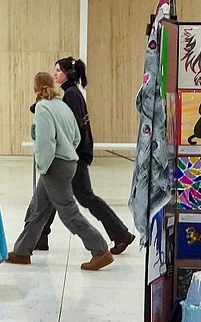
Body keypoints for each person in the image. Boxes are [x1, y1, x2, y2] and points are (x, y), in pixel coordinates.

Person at [7, 72, 113, 270]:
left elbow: (47, 142)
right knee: (38, 208)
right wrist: (67, 151)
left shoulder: (42, 107)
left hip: (54, 165)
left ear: (34, 89)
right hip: (67, 161)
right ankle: (22, 251)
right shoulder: (61, 105)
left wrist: (43, 165)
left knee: (68, 212)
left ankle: (100, 250)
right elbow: (75, 136)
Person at [37, 57, 136, 254]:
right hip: (75, 154)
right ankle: (40, 236)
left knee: (83, 196)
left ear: (68, 73)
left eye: (58, 70)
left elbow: (71, 130)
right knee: (52, 194)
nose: (55, 73)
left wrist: (67, 153)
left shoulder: (71, 96)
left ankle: (120, 233)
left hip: (74, 155)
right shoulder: (72, 93)